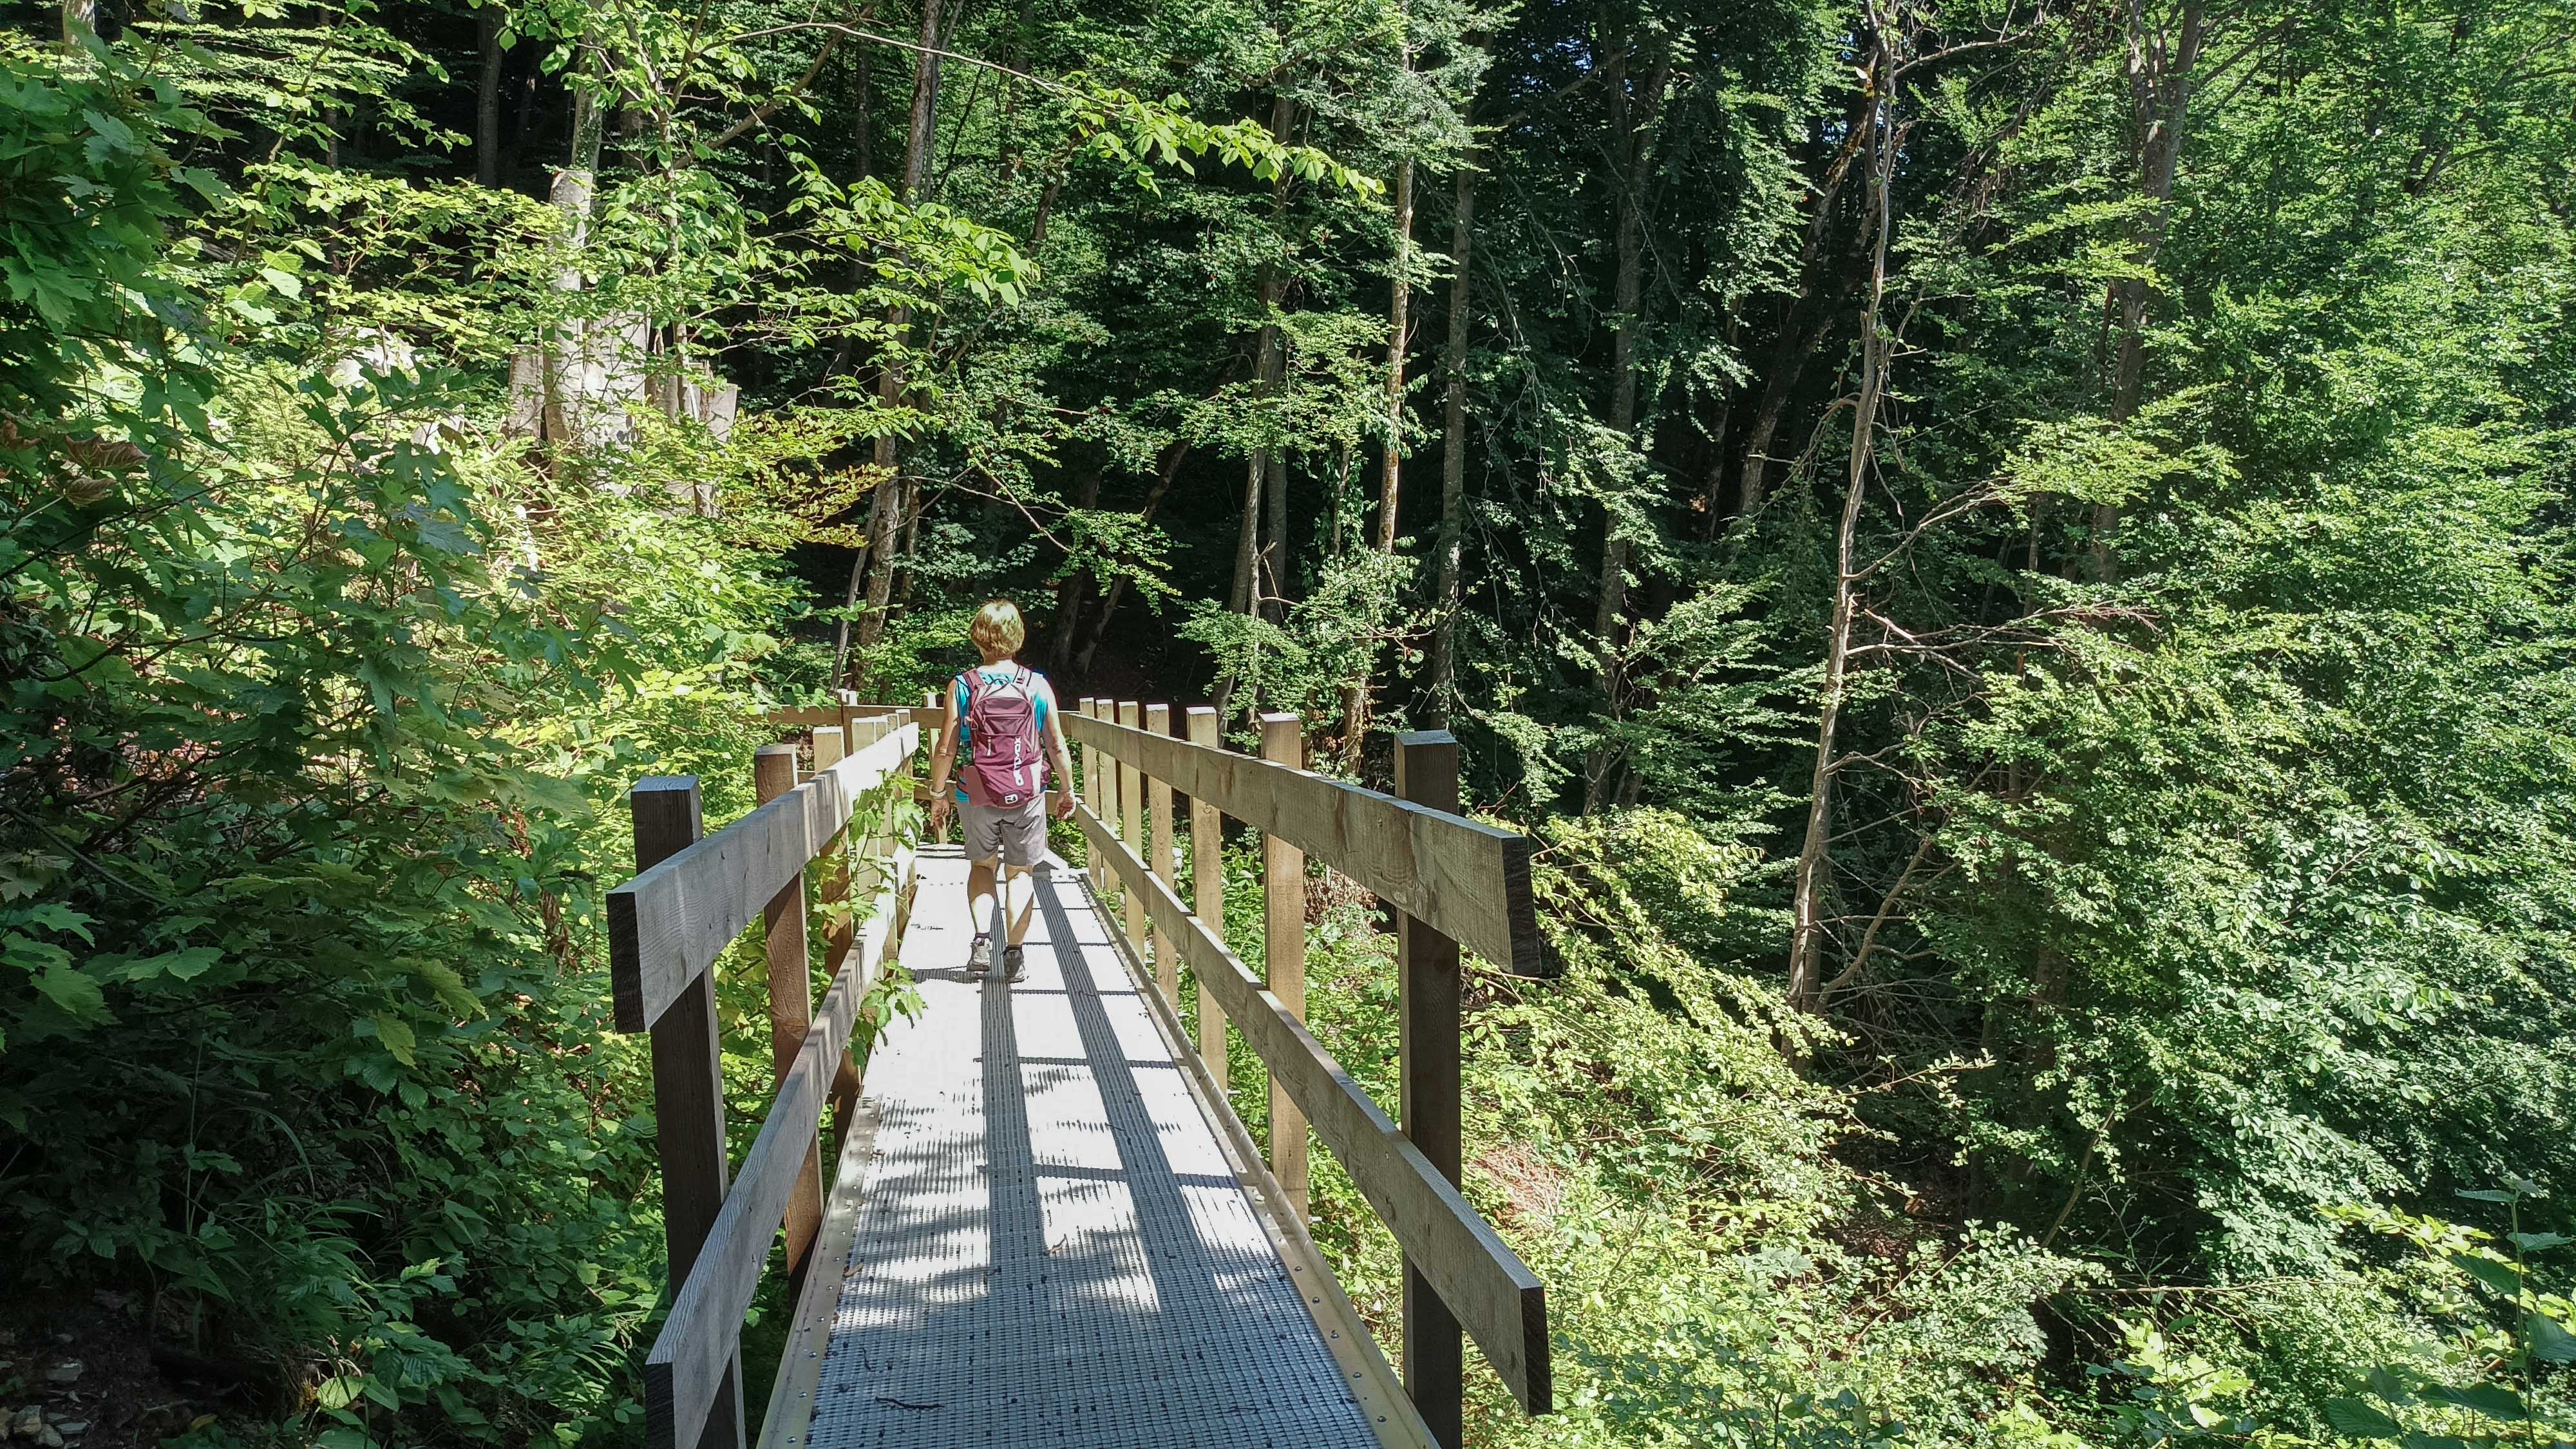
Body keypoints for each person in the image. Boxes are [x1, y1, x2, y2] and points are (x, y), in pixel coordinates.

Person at [925, 600, 1079, 981]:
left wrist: (938, 793)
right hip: (1026, 791)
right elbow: (1056, 745)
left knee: (982, 866)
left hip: (976, 792)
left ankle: (981, 941)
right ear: (1017, 637)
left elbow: (946, 747)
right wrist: (1067, 789)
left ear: (978, 637)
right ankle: (1014, 954)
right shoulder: (1037, 684)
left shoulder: (962, 685)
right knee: (1021, 873)